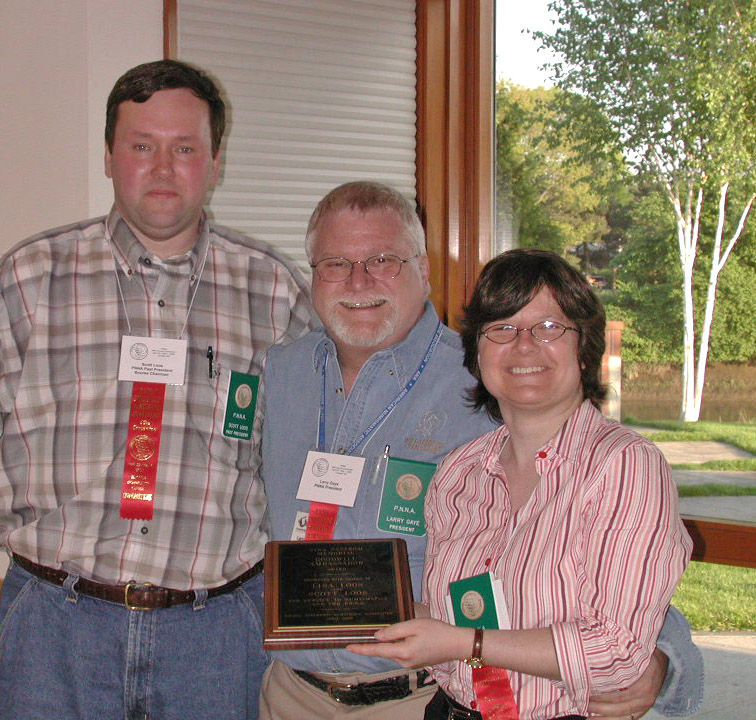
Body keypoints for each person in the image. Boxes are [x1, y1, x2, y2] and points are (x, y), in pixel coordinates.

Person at [0, 59, 315, 720]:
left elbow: (313, 460)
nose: (163, 168)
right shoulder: (19, 282)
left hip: (216, 637)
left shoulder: (278, 294)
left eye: (184, 148)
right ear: (109, 156)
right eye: (142, 146)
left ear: (215, 161)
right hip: (52, 630)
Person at [260, 183, 702, 720]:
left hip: (420, 695)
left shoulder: (489, 380)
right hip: (289, 695)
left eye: (382, 260)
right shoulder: (278, 374)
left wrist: (663, 659)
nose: (359, 280)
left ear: (423, 269)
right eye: (335, 263)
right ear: (312, 273)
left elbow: (605, 542)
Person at [348, 248, 692, 720]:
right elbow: (462, 611)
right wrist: (370, 612)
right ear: (478, 353)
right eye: (502, 329)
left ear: (584, 349)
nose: (524, 346)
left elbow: (617, 655)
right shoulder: (459, 472)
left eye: (549, 327)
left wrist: (461, 642)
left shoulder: (625, 466)